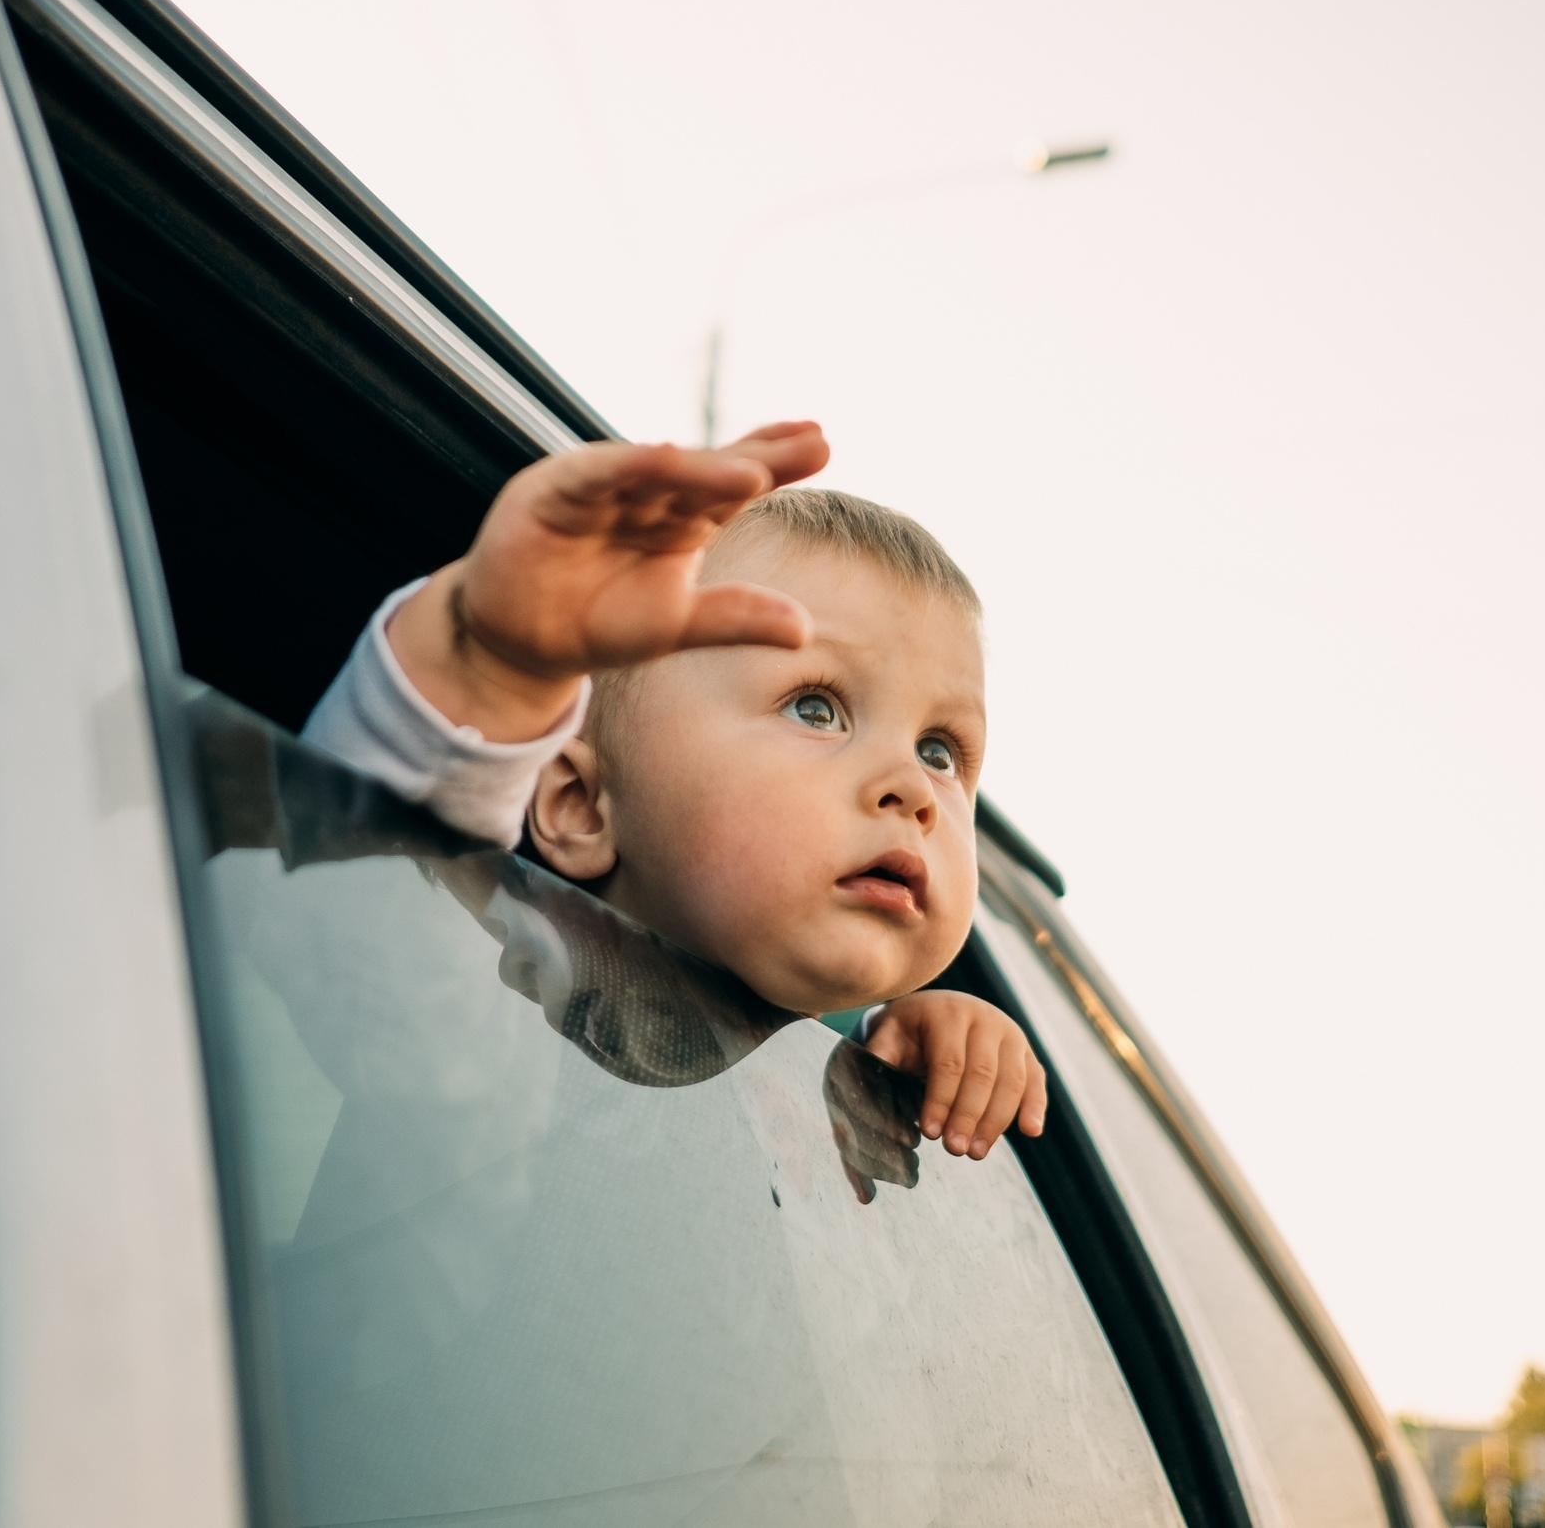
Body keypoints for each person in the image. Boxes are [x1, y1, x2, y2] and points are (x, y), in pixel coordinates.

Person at [303, 420, 1047, 1160]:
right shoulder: (517, 991)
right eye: (816, 708)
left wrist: (910, 1074)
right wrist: (483, 665)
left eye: (940, 751)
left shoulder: (865, 1090)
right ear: (581, 806)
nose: (913, 788)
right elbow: (358, 922)